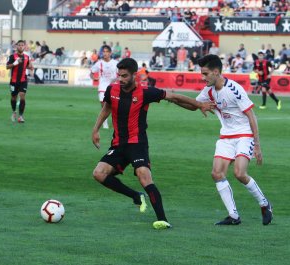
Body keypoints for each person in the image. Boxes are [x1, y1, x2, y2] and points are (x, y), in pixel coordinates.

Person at [91, 58, 214, 230]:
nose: (121, 79)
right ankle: (136, 196)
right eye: (119, 75)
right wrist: (95, 129)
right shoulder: (112, 89)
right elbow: (106, 108)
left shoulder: (146, 93)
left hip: (137, 144)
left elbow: (174, 96)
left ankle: (162, 219)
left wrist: (199, 104)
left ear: (135, 75)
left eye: (125, 76)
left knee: (144, 176)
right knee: (98, 173)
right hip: (118, 144)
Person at [192, 54, 272, 225]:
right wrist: (171, 98)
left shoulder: (234, 89)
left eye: (205, 74)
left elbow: (251, 115)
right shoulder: (208, 91)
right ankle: (234, 216)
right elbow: (194, 104)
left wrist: (257, 145)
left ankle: (264, 203)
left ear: (216, 72)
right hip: (226, 137)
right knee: (216, 173)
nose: (202, 77)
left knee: (239, 173)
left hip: (244, 135)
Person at [90, 45, 118, 129]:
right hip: (102, 87)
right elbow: (91, 72)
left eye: (107, 52)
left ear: (110, 53)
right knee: (103, 104)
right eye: (104, 52)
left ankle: (116, 121)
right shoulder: (99, 63)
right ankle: (104, 122)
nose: (105, 53)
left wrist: (115, 80)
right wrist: (94, 78)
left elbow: (120, 74)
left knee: (114, 106)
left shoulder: (115, 63)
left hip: (113, 86)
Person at [6, 40, 34, 123]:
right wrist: (15, 63)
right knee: (14, 97)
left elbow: (29, 66)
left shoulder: (26, 57)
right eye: (19, 45)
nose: (21, 46)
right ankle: (14, 111)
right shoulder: (12, 56)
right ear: (16, 46)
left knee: (22, 96)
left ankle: (21, 116)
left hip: (23, 80)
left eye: (22, 45)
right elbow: (7, 67)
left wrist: (32, 69)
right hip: (14, 81)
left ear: (24, 47)